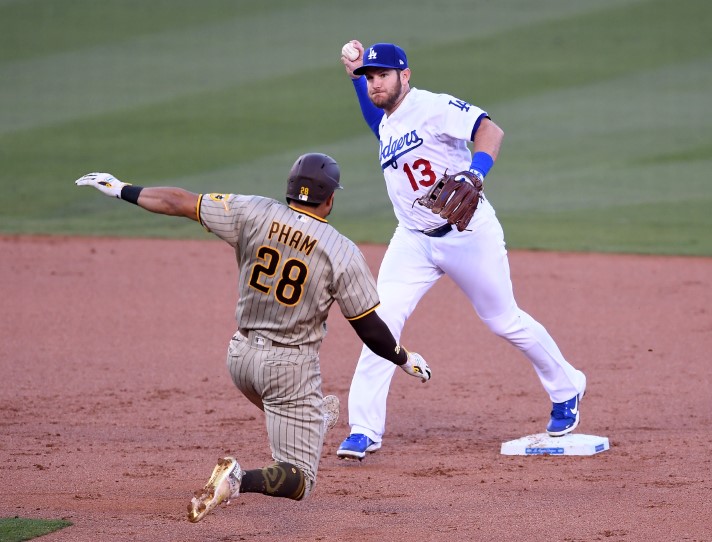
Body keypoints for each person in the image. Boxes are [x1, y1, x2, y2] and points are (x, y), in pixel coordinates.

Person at [74, 153, 432, 522]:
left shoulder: (252, 211)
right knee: (300, 480)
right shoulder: (341, 250)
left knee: (300, 412)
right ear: (330, 199)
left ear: (290, 190)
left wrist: (121, 189)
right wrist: (404, 358)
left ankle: (312, 419)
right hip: (287, 372)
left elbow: (178, 202)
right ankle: (237, 479)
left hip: (240, 359)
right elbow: (369, 328)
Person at [335, 41, 586, 460]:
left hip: (467, 232)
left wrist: (475, 171)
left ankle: (567, 386)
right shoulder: (386, 119)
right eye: (370, 78)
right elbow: (374, 117)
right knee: (380, 322)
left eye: (383, 75)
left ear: (406, 75)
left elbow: (490, 131)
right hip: (413, 239)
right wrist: (355, 74)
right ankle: (364, 428)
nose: (376, 84)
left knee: (504, 320)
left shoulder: (433, 107)